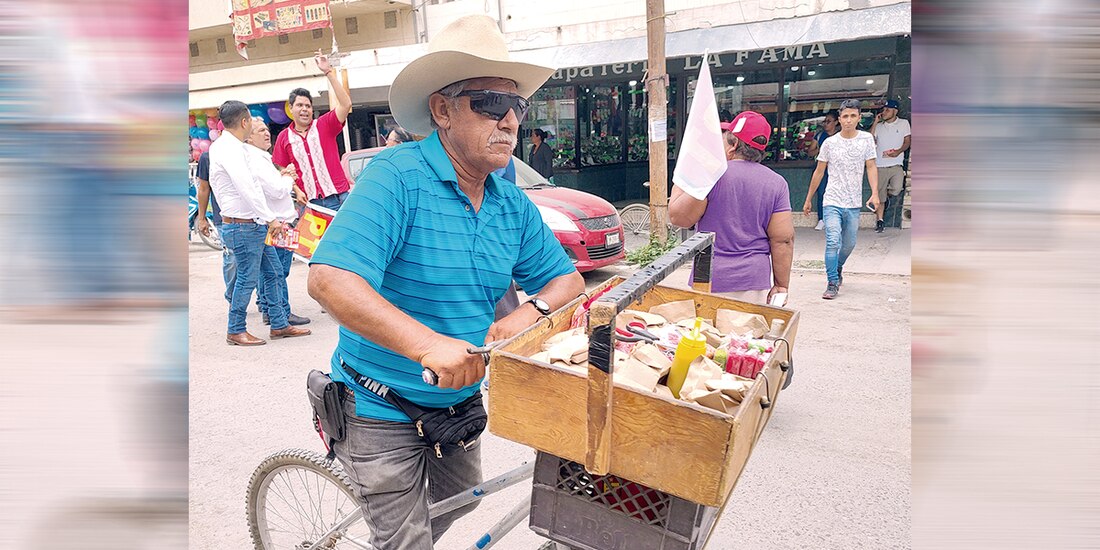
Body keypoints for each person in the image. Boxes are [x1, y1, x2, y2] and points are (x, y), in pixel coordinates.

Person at [306, 15, 584, 548]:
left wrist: (528, 315)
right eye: (488, 103)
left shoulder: (510, 202)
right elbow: (330, 279)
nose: (508, 120)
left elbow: (565, 282)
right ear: (442, 109)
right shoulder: (396, 177)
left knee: (460, 503)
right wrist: (429, 346)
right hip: (377, 406)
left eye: (516, 106)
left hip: (458, 401)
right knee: (407, 540)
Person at [209, 100, 311, 345]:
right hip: (243, 225)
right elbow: (248, 188)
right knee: (247, 278)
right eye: (253, 123)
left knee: (274, 272)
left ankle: (279, 324)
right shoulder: (229, 149)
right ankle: (235, 329)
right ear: (244, 122)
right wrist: (271, 218)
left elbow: (253, 186)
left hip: (252, 224)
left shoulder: (232, 147)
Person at [668, 111, 794, 305]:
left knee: (708, 335)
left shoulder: (712, 176)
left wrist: (684, 176)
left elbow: (679, 218)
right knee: (747, 335)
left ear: (734, 145)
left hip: (710, 277)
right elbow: (783, 240)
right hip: (754, 280)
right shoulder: (778, 183)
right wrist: (781, 285)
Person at [802, 99, 880, 300]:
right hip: (832, 200)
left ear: (859, 118)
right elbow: (819, 172)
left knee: (849, 244)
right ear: (839, 119)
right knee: (832, 241)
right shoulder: (829, 143)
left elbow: (871, 167)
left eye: (853, 116)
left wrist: (874, 193)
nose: (848, 120)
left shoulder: (866, 140)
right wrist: (809, 198)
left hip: (853, 202)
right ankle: (832, 282)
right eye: (845, 116)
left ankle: (837, 267)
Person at [244, 116, 311, 326]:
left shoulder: (261, 157)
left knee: (273, 271)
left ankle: (270, 308)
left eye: (266, 129)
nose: (266, 133)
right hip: (278, 223)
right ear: (249, 138)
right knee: (278, 271)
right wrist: (289, 177)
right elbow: (276, 189)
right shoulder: (256, 158)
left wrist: (283, 176)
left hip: (278, 220)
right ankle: (280, 312)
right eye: (260, 131)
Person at [273, 49, 354, 212]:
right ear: (290, 108)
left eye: (308, 106)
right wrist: (296, 190)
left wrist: (328, 72)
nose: (304, 109)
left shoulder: (324, 124)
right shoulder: (284, 137)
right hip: (309, 204)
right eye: (300, 105)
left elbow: (345, 104)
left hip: (339, 198)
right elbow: (282, 169)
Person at [194, 149, 238, 303]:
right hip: (224, 218)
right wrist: (202, 218)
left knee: (259, 259)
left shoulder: (248, 151)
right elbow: (204, 189)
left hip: (252, 216)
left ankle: (264, 302)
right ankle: (233, 299)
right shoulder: (208, 156)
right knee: (232, 258)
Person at [869, 99, 911, 232]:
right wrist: (876, 122)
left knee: (897, 188)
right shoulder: (879, 126)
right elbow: (870, 139)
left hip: (896, 163)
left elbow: (907, 141)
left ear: (895, 111)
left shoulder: (904, 123)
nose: (884, 112)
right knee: (879, 195)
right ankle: (880, 221)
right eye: (884, 109)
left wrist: (898, 151)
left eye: (887, 110)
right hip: (880, 165)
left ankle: (886, 196)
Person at [805, 111, 839, 230]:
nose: (825, 124)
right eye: (824, 121)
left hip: (838, 169)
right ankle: (822, 219)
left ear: (836, 122)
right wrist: (820, 151)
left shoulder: (841, 136)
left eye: (828, 121)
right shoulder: (819, 136)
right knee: (821, 193)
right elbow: (810, 152)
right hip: (822, 168)